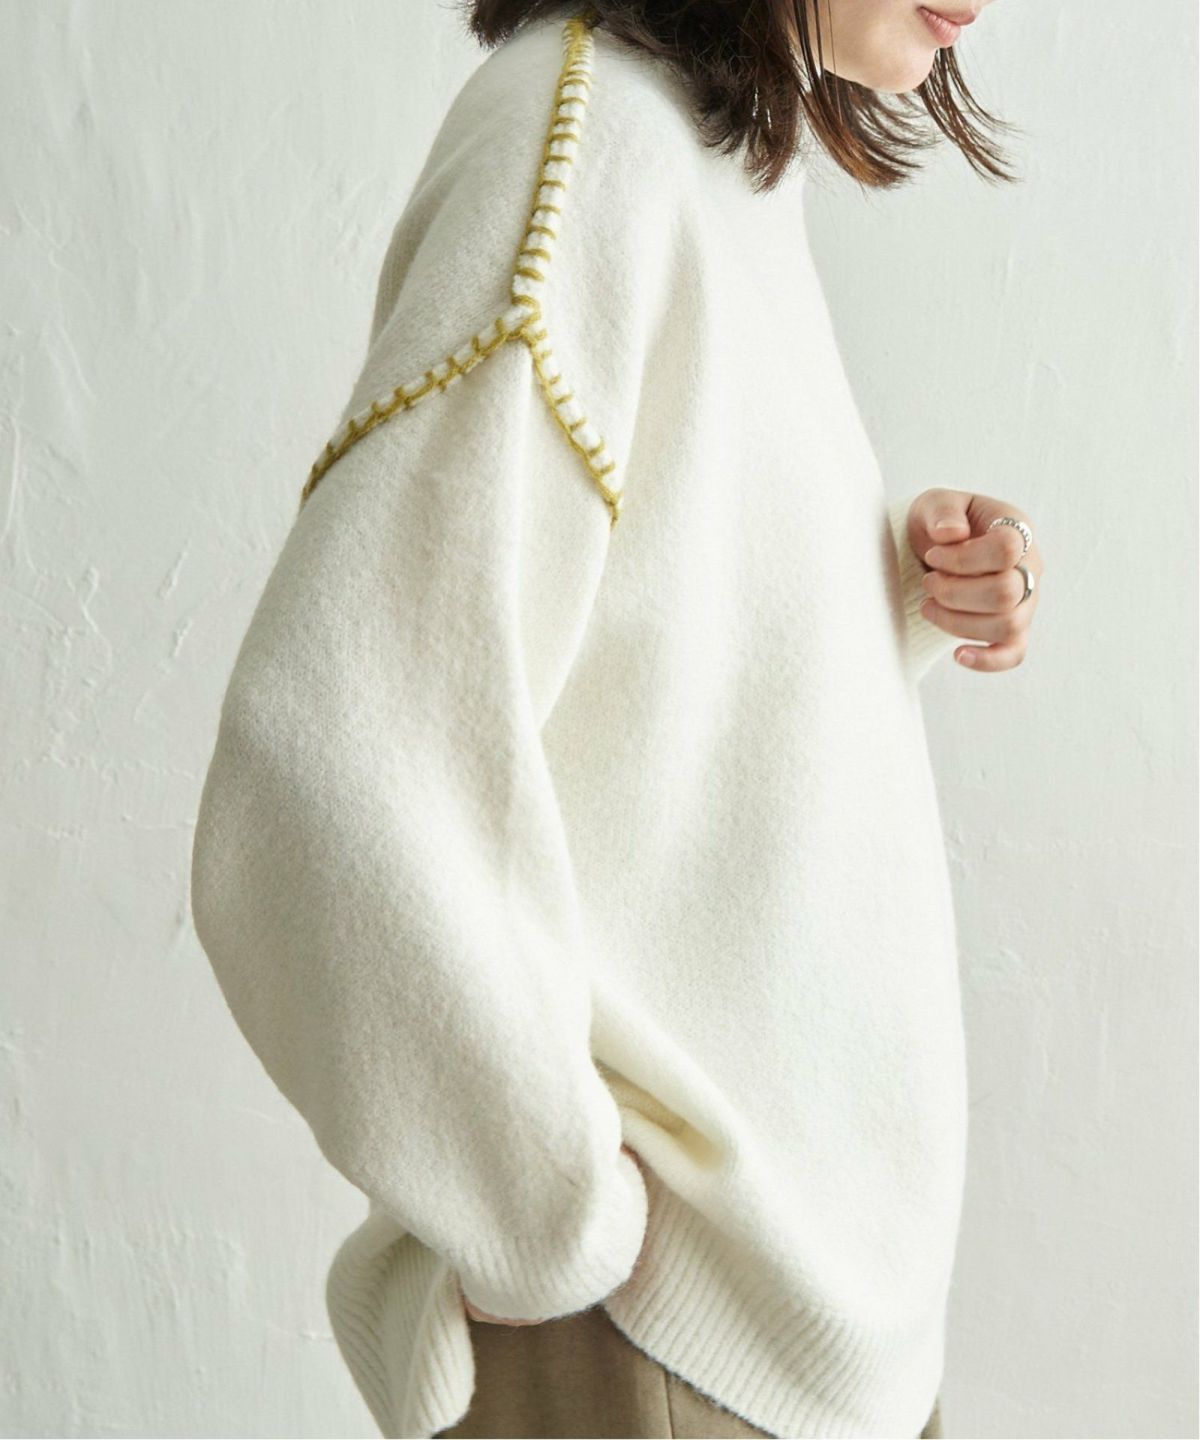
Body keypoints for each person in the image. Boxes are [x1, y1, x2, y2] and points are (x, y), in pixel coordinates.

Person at [190, 1, 1045, 1436]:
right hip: (665, 1344)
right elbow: (326, 760)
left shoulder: (712, 157)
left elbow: (632, 669)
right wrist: (548, 1218)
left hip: (803, 1342)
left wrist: (889, 593)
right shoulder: (583, 143)